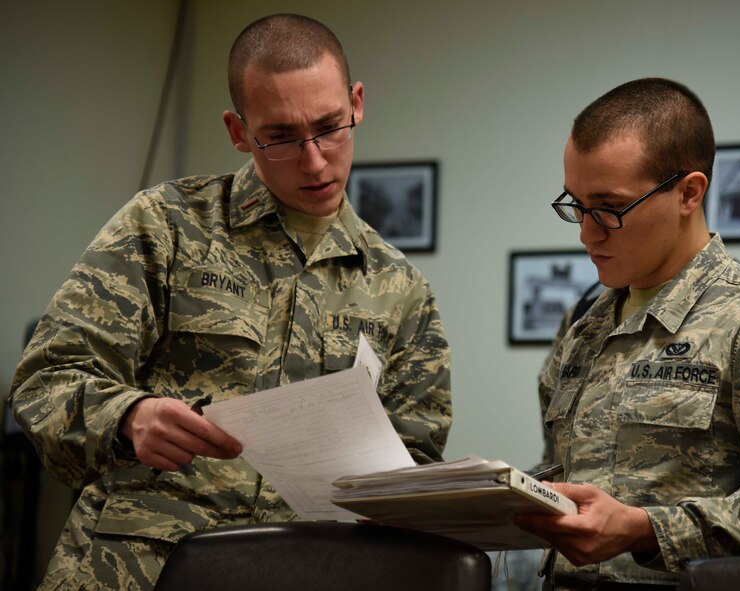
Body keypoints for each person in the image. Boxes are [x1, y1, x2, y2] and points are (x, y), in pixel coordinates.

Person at [9, 13, 451, 590]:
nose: (315, 160)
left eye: (329, 126)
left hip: (305, 572)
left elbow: (411, 467)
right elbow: (45, 383)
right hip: (137, 568)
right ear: (239, 132)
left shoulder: (402, 290)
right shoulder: (164, 225)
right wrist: (129, 418)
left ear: (357, 102)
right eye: (281, 137)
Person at [515, 78, 740, 589]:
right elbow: (573, 472)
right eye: (576, 205)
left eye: (609, 207)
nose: (586, 232)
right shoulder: (586, 330)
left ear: (689, 193)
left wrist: (644, 529)